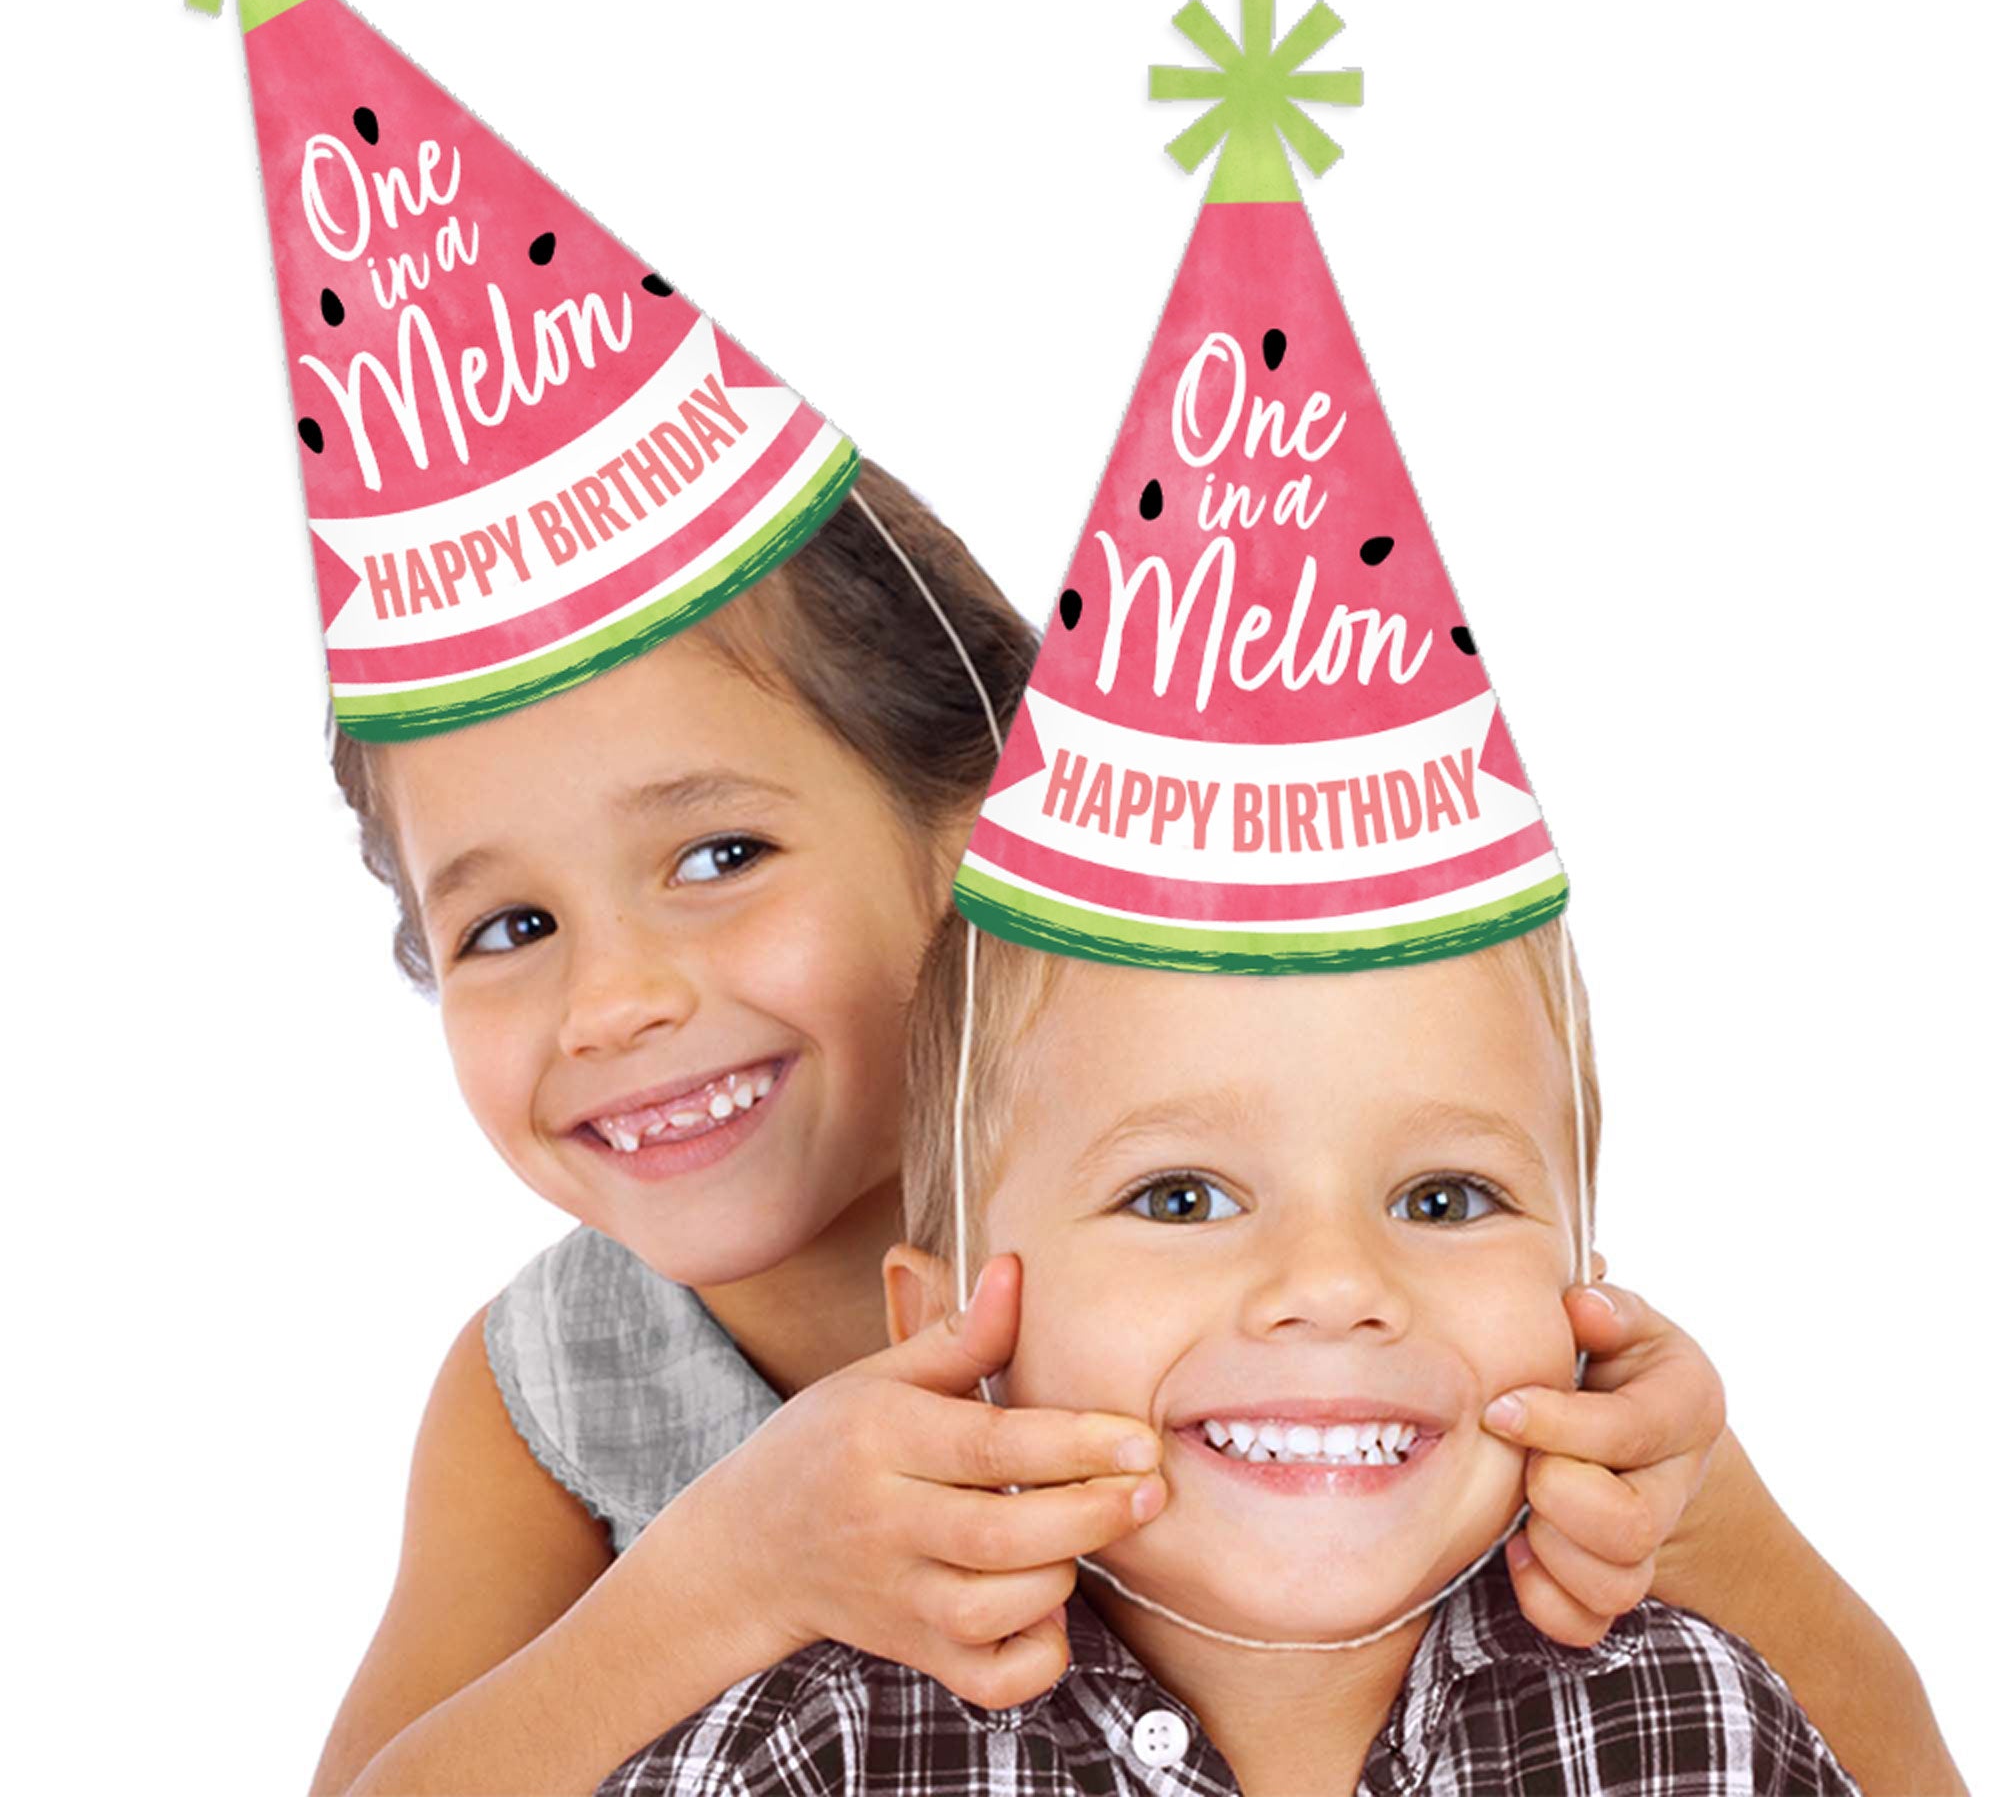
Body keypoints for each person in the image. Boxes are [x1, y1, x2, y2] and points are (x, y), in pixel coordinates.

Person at [310, 469, 1961, 1797]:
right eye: (506, 928)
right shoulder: (556, 1386)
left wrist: (1700, 1515)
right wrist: (725, 1579)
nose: (614, 1002)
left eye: (720, 857)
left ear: (982, 827)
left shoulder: (1431, 1326)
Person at [597, 921, 1914, 1794]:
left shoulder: (1699, 1725)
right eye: (1180, 1199)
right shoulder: (812, 1755)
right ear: (943, 1332)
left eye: (1446, 1199)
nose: (1334, 1286)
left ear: (1589, 1300)